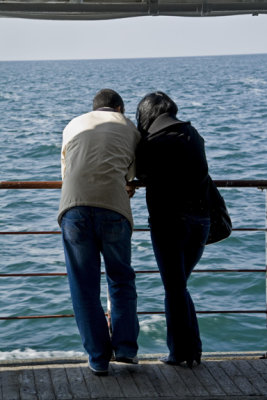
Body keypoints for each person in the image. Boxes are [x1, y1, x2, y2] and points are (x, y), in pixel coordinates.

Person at [58, 89, 140, 376]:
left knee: (84, 286)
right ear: (118, 108)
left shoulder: (72, 125)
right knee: (121, 278)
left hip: (74, 209)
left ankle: (98, 359)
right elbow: (130, 174)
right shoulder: (129, 126)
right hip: (113, 208)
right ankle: (127, 349)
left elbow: (67, 171)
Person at [135, 91, 210, 368]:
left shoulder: (154, 142)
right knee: (179, 286)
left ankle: (181, 353)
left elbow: (139, 173)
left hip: (169, 223)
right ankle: (192, 351)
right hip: (201, 222)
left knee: (175, 287)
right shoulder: (194, 135)